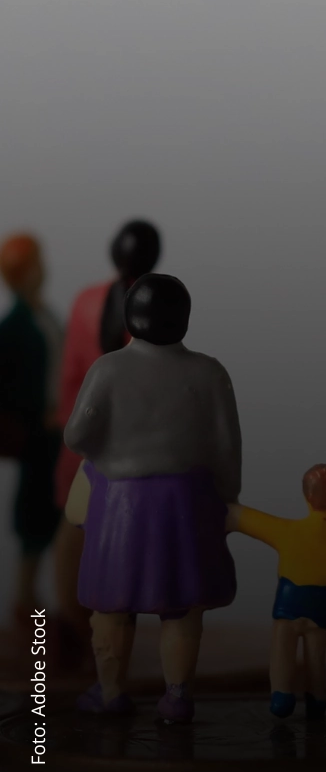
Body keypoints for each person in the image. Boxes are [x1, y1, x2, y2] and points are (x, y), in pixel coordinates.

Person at [63, 272, 241, 723]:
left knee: (112, 607)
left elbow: (77, 435)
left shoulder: (108, 369)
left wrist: (111, 445)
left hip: (120, 503)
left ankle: (110, 692)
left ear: (131, 318)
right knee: (181, 608)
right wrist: (227, 497)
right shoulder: (210, 372)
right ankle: (177, 696)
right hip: (188, 503)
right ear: (183, 319)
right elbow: (227, 446)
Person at [52, 219, 162, 649]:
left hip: (82, 434)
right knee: (122, 540)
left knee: (74, 528)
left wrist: (68, 427)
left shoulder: (86, 300)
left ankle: (73, 622)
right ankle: (108, 636)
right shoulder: (156, 307)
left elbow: (69, 376)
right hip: (130, 447)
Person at [227, 464, 326, 720]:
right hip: (322, 612)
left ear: (306, 496)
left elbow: (249, 520)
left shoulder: (289, 531)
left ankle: (282, 694)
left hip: (288, 608)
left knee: (282, 653)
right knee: (316, 658)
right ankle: (316, 697)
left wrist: (229, 512)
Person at [0, 235, 63, 630]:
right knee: (35, 513)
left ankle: (41, 600)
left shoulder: (44, 315)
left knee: (56, 511)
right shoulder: (13, 326)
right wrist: (34, 417)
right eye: (33, 265)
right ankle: (26, 601)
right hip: (36, 435)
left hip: (56, 431)